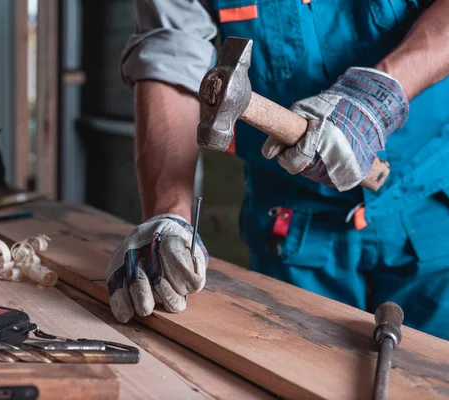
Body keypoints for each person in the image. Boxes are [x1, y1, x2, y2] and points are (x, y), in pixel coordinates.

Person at [105, 0, 449, 340]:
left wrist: (379, 96)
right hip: (294, 226)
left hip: (429, 206)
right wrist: (168, 215)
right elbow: (171, 53)